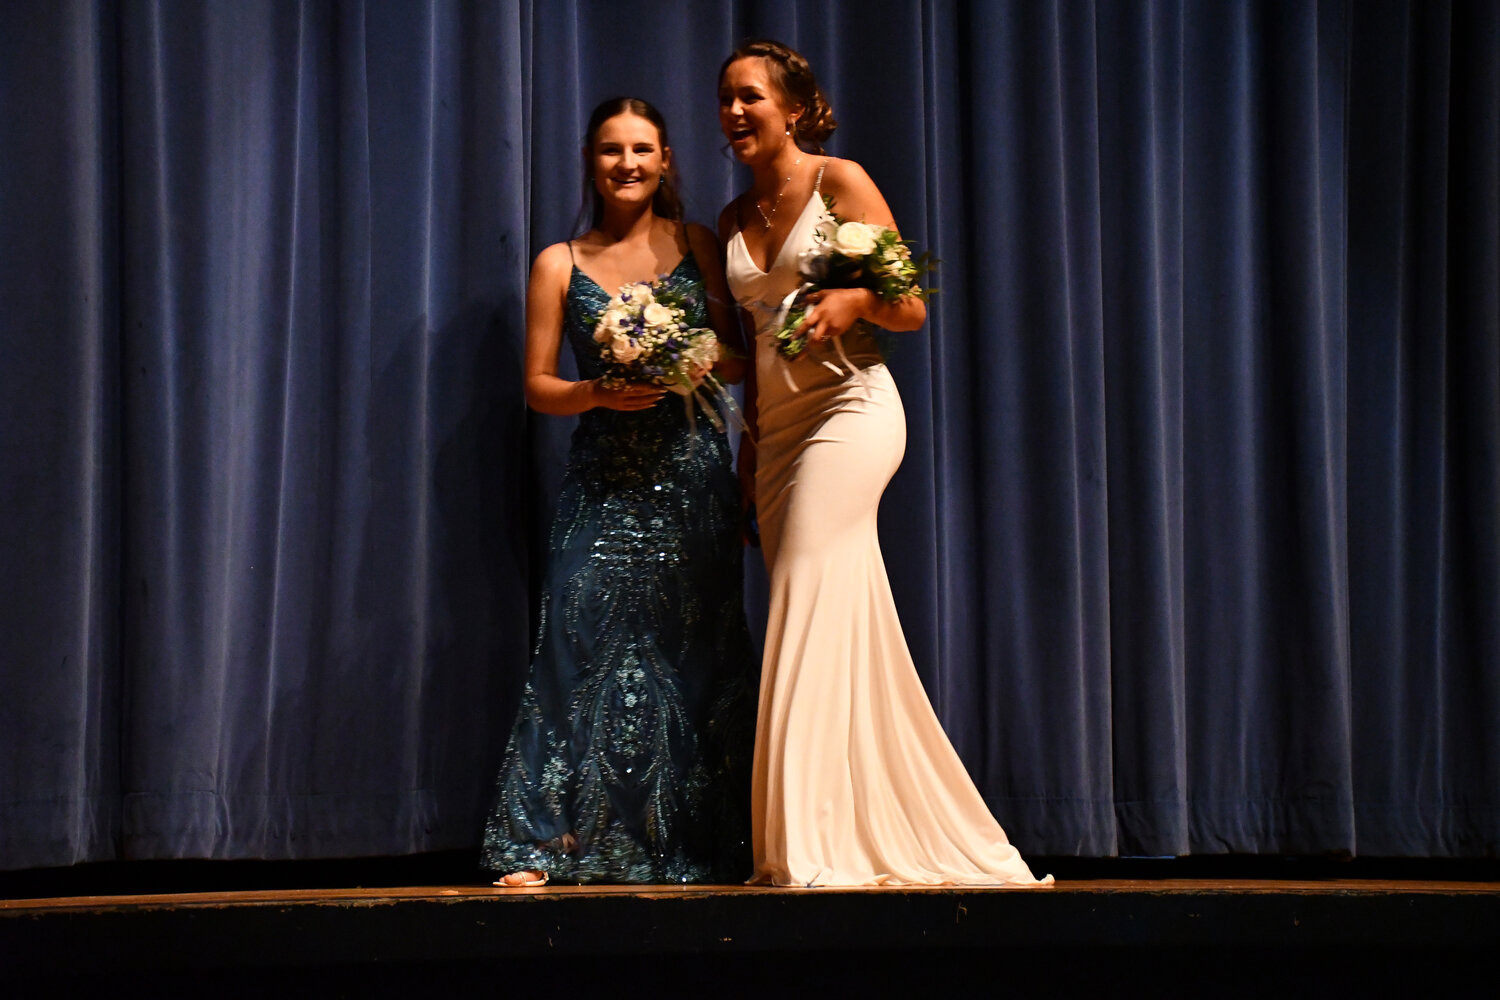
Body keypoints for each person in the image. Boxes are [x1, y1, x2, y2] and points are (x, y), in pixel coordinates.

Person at [717, 40, 1051, 887]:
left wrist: (853, 296)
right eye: (725, 99)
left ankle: (803, 847)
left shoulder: (841, 182)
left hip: (852, 411)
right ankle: (863, 823)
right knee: (839, 613)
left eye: (750, 96)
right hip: (780, 440)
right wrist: (747, 464)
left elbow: (907, 307)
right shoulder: (729, 220)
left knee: (802, 591)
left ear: (794, 109)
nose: (734, 113)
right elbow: (754, 358)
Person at [482, 97, 756, 886]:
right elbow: (538, 386)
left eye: (642, 149)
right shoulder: (558, 262)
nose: (626, 163)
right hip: (603, 483)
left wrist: (697, 357)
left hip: (693, 482)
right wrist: (597, 393)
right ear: (591, 161)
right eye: (611, 150)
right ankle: (543, 843)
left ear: (667, 158)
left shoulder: (699, 244)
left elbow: (742, 359)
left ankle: (704, 844)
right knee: (572, 652)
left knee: (699, 657)